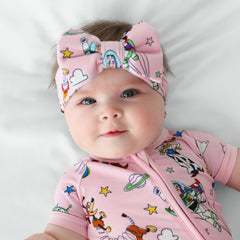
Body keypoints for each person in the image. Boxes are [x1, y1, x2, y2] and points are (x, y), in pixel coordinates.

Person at [26, 20, 240, 240]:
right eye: (88, 101)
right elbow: (60, 234)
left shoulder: (195, 146)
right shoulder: (78, 181)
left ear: (162, 102)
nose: (109, 112)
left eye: (128, 94)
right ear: (67, 116)